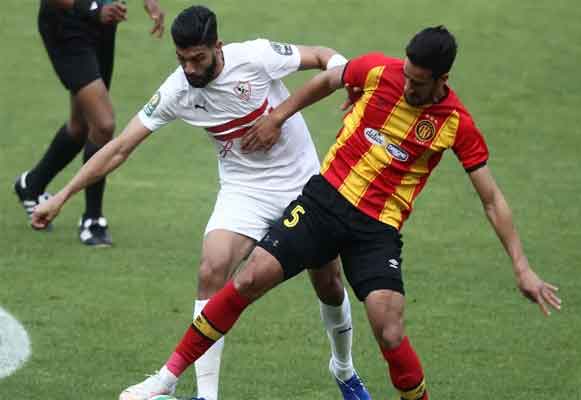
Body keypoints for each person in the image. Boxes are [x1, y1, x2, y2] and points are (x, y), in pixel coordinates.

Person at [101, 26, 563, 400]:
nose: (406, 86)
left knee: (389, 327)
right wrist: (278, 115)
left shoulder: (455, 123)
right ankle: (166, 379)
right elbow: (326, 78)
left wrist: (521, 267)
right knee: (244, 280)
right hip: (324, 202)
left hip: (377, 230)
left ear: (442, 79)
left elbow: (491, 198)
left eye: (418, 83)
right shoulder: (378, 71)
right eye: (405, 74)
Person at [32, 5, 371, 400]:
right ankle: (207, 395)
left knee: (329, 284)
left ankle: (343, 368)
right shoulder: (178, 89)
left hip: (303, 184)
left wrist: (339, 85)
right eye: (182, 59)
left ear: (218, 47)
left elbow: (320, 55)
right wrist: (62, 195)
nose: (190, 69)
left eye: (199, 59)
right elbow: (120, 147)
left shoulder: (255, 57)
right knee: (212, 267)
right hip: (244, 189)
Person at [14, 0, 165, 246]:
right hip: (68, 25)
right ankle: (92, 218)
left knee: (81, 125)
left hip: (104, 24)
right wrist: (94, 9)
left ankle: (31, 184)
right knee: (103, 124)